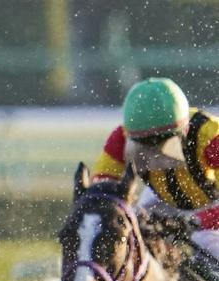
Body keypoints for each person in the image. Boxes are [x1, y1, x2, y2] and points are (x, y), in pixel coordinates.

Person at [92, 77, 219, 268]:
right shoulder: (120, 139)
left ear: (184, 130)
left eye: (161, 141)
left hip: (211, 207)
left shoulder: (211, 137)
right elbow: (99, 197)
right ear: (129, 132)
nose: (154, 154)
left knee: (203, 240)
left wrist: (194, 221)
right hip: (159, 200)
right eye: (144, 143)